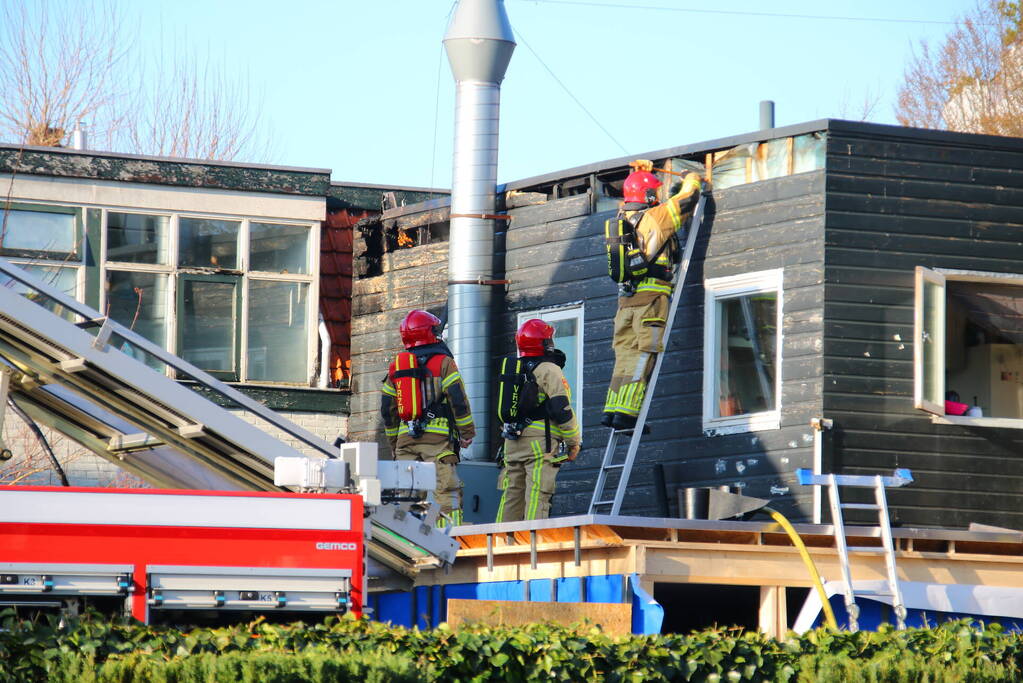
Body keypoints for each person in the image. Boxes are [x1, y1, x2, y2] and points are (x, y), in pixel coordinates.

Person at [602, 160, 703, 431]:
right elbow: (687, 200)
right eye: (655, 192)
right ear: (648, 195)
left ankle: (613, 409)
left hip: (625, 303)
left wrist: (640, 174)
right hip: (651, 301)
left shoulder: (623, 219)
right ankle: (627, 414)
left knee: (624, 357)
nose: (658, 196)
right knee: (644, 355)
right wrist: (692, 177)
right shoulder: (655, 218)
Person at [380, 310, 474, 525]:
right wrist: (466, 432)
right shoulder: (444, 363)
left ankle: (405, 541)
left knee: (406, 498)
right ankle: (451, 537)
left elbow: (387, 410)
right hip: (438, 442)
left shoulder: (396, 367)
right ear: (428, 332)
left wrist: (395, 443)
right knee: (447, 493)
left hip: (405, 441)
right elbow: (458, 399)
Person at [496, 319, 581, 522]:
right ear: (544, 343)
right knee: (538, 493)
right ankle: (533, 537)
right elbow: (562, 409)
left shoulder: (515, 369)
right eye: (549, 339)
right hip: (539, 443)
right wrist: (573, 442)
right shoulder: (549, 369)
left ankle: (502, 538)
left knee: (512, 496)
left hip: (512, 442)